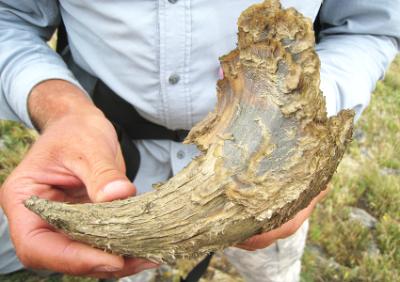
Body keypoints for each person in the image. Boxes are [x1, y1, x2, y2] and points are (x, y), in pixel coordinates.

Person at [0, 0, 399, 281]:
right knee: (119, 269)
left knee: (273, 269)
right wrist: (63, 110)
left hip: (268, 172)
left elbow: (368, 26)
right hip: (110, 164)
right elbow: (9, 18)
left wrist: (296, 123)